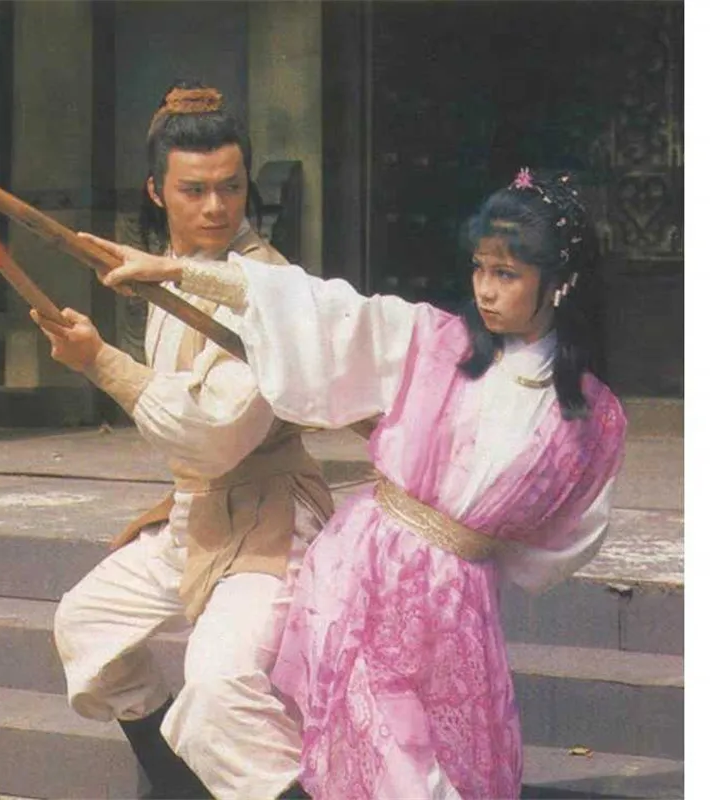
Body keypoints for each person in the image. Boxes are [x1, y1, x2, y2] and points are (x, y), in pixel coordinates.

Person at [83, 167, 627, 800]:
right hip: (366, 573)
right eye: (479, 268)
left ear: (559, 283)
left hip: (459, 600)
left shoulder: (594, 419)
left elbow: (562, 540)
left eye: (506, 274)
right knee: (389, 757)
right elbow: (324, 311)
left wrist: (468, 549)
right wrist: (179, 272)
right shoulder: (437, 342)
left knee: (434, 763)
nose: (484, 289)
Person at [31, 81, 333, 800]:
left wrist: (100, 362)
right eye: (194, 190)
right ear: (157, 191)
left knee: (219, 689)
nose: (216, 207)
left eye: (231, 187)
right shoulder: (164, 274)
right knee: (88, 622)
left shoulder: (268, 285)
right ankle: (183, 792)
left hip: (268, 519)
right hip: (198, 513)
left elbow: (216, 434)